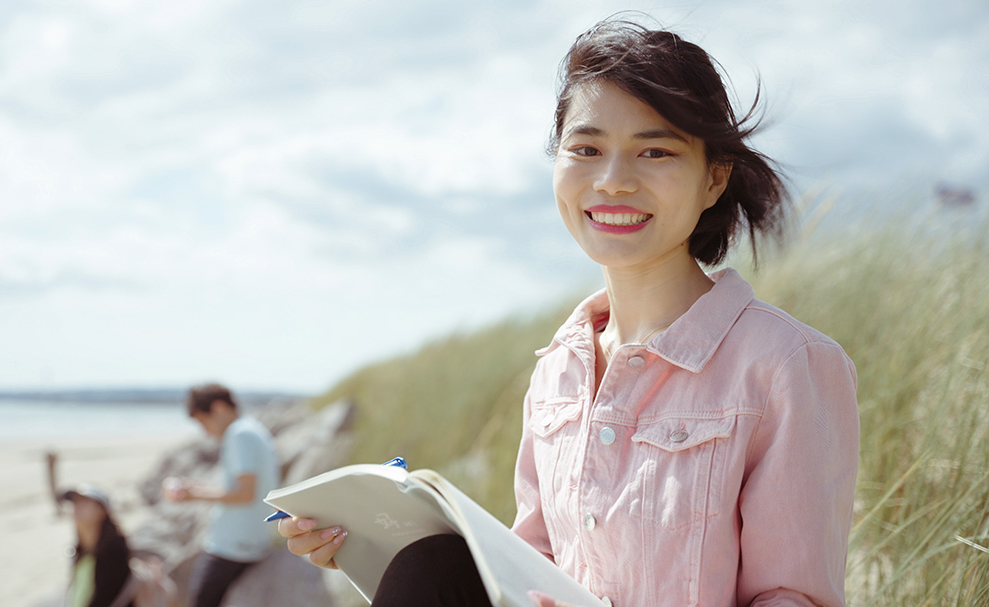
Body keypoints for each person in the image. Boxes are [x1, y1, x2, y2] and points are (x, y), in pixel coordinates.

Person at [278, 16, 859, 607]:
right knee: (430, 564)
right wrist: (372, 543)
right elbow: (528, 569)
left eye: (655, 151)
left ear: (714, 178)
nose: (613, 181)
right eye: (586, 149)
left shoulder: (787, 364)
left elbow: (794, 597)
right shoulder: (560, 367)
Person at [164, 383, 281, 607]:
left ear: (218, 408)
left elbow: (245, 493)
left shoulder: (239, 434)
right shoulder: (252, 429)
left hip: (234, 544)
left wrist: (195, 494)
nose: (205, 431)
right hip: (249, 540)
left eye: (202, 422)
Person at [61, 484, 135, 607]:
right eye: (75, 503)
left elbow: (107, 597)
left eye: (84, 502)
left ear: (102, 510)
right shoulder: (79, 551)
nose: (77, 508)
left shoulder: (115, 549)